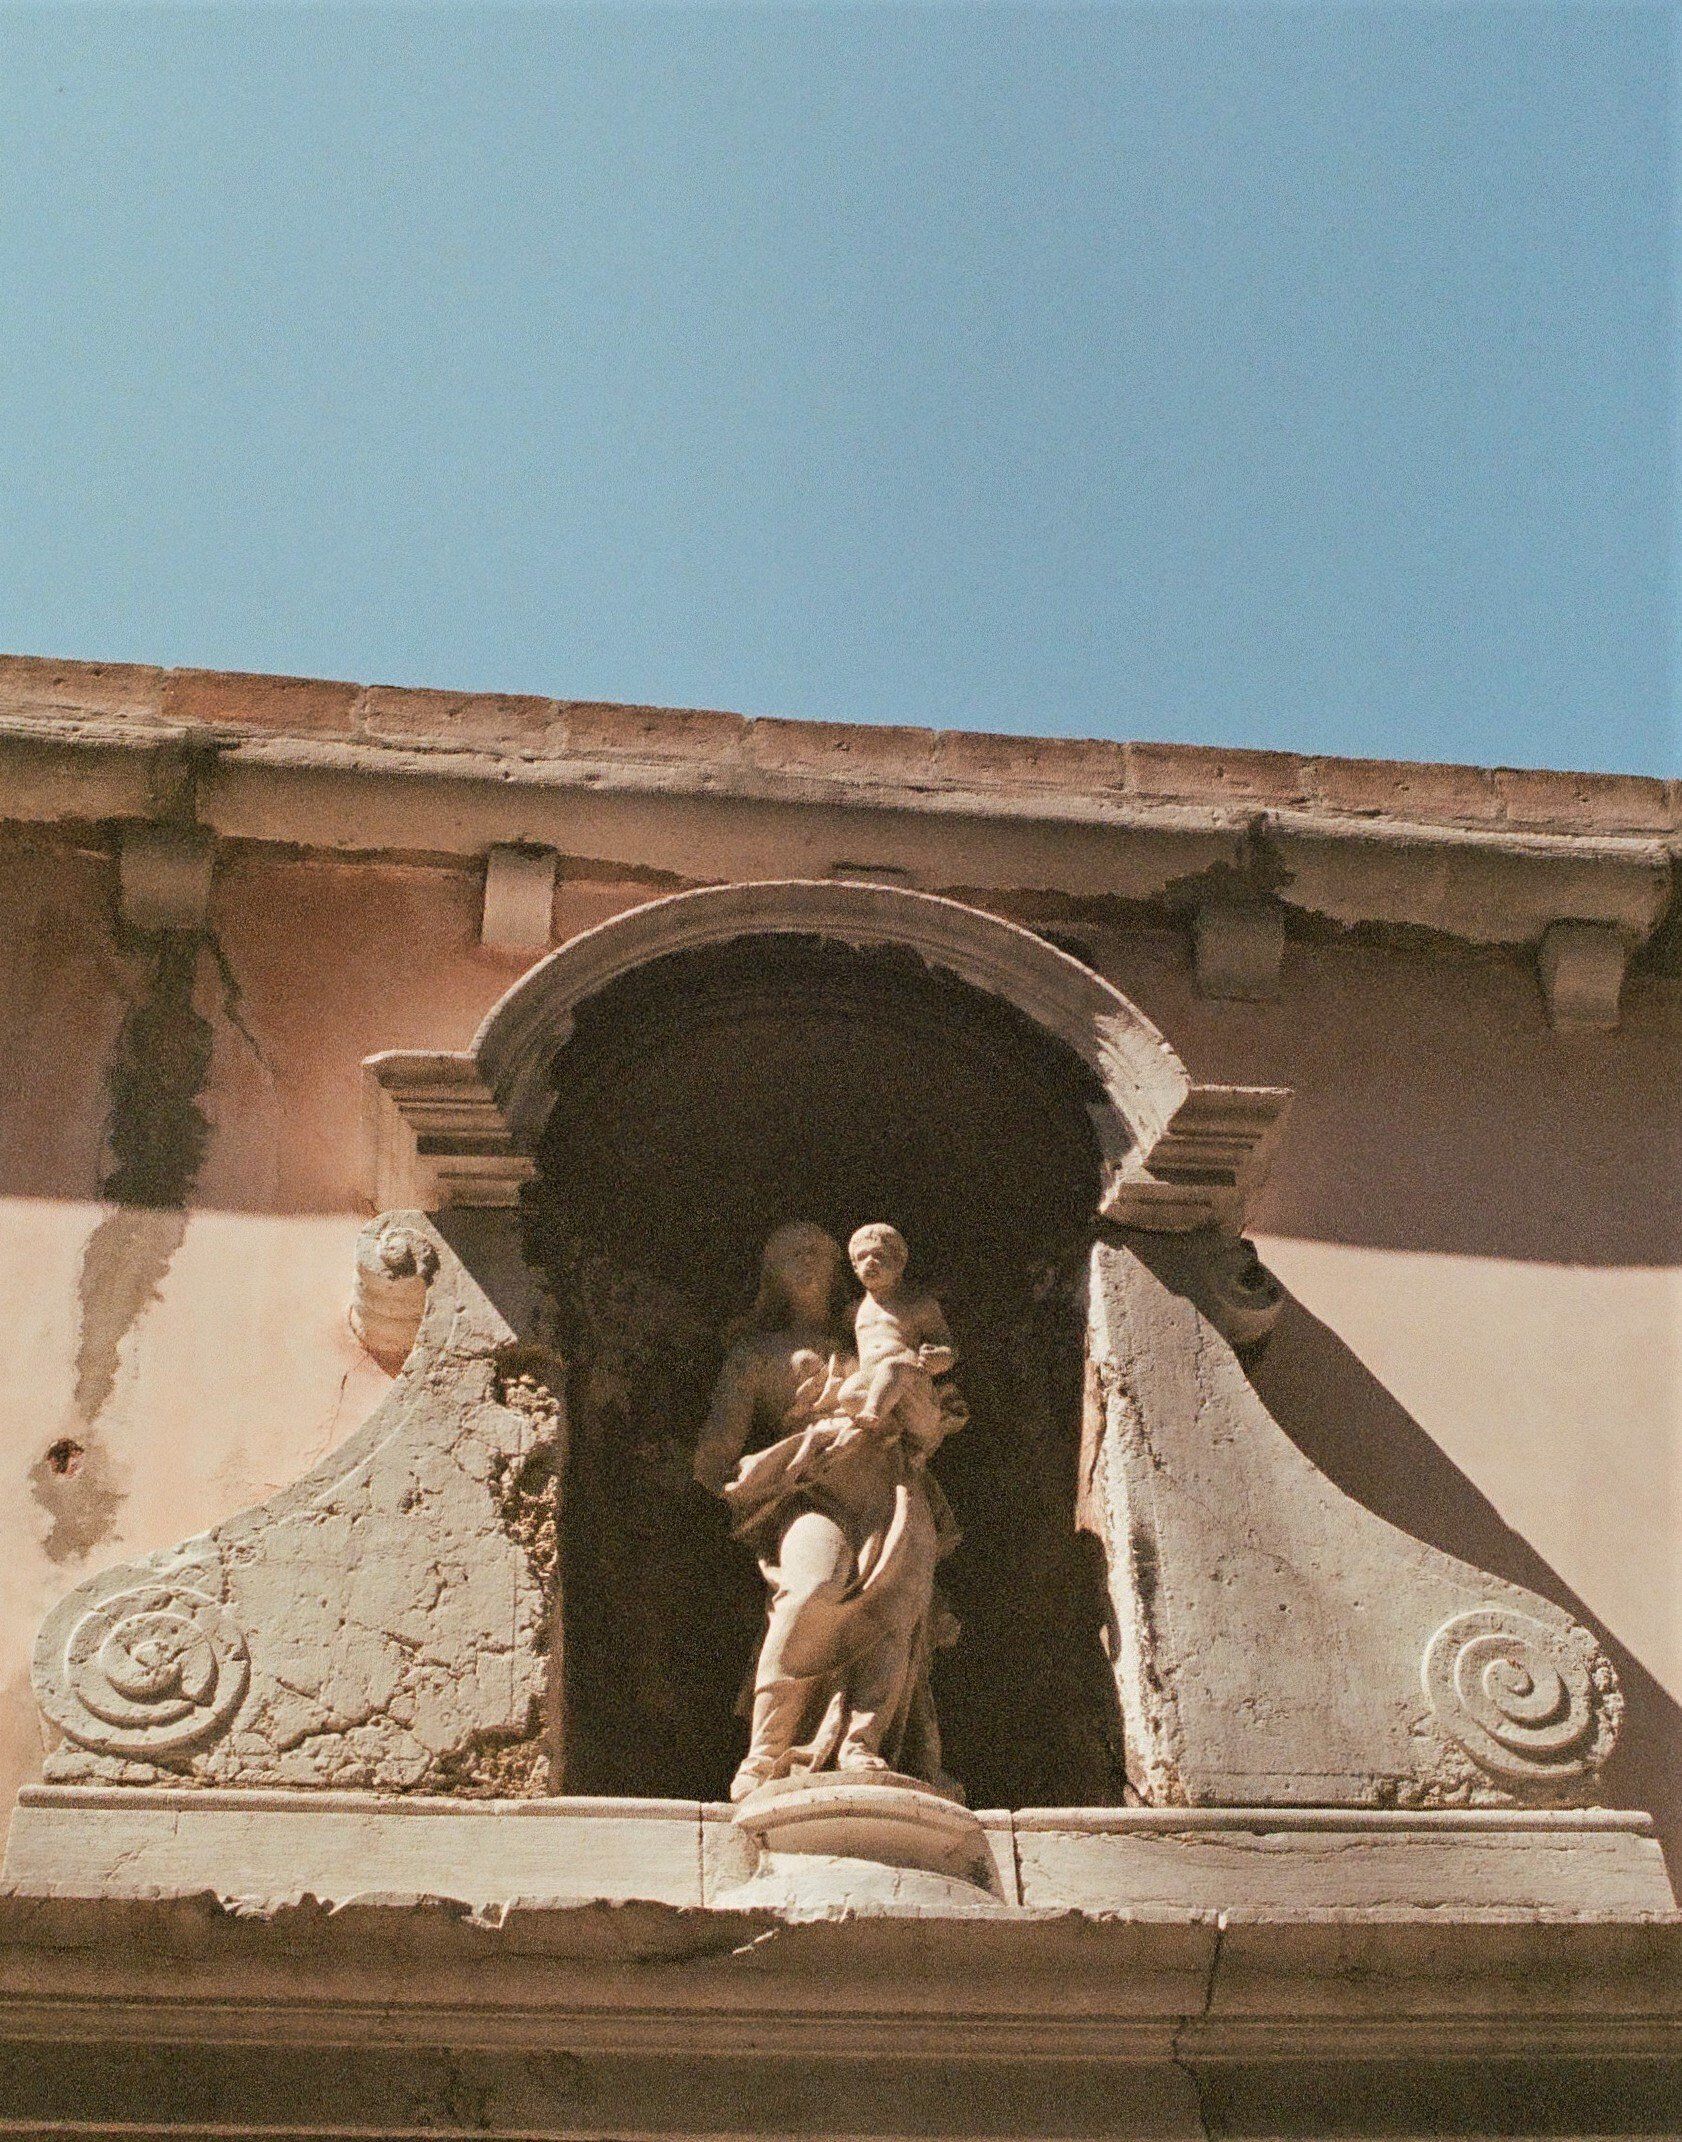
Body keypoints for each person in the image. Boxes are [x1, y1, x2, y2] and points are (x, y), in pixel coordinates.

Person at [693, 1220, 965, 1803]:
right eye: (791, 1252)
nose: (808, 1260)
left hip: (892, 1484)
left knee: (894, 1613)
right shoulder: (755, 1354)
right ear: (769, 1274)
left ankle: (862, 1743)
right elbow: (713, 1460)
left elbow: (932, 1424)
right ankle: (767, 1751)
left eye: (818, 1251)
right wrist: (785, 1460)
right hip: (813, 1492)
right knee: (811, 1588)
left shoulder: (873, 1330)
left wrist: (909, 1406)